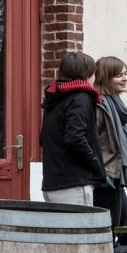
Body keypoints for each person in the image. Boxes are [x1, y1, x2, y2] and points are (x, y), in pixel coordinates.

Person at [40, 50, 106, 206]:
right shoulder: (80, 97)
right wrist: (96, 165)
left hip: (52, 184)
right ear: (86, 75)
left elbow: (43, 139)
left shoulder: (55, 98)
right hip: (74, 184)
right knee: (81, 230)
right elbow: (75, 139)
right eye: (93, 74)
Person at [94, 56, 127, 228]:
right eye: (119, 75)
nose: (125, 78)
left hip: (115, 178)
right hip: (106, 178)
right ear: (105, 77)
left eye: (125, 73)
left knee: (126, 228)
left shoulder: (115, 103)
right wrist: (102, 173)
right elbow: (93, 142)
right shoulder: (100, 104)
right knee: (116, 229)